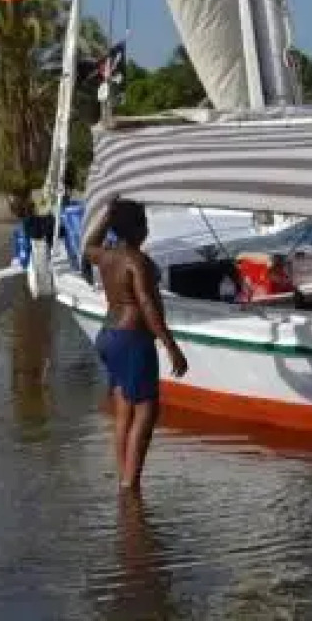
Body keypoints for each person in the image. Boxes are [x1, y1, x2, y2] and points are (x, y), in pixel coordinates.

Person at [83, 197, 188, 491]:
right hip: (132, 339)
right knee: (146, 410)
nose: (148, 226)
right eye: (145, 221)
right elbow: (146, 304)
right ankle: (131, 487)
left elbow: (88, 244)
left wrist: (108, 215)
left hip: (108, 337)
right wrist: (171, 347)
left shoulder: (105, 255)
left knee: (124, 408)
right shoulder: (135, 261)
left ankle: (124, 480)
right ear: (139, 228)